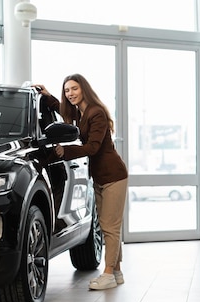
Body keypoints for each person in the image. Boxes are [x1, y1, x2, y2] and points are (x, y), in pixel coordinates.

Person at [33, 74, 129, 290]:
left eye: (74, 89)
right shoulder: (82, 112)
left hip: (113, 175)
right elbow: (65, 111)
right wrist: (48, 97)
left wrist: (65, 151)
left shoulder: (96, 112)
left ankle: (107, 275)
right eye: (67, 90)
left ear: (83, 88)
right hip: (101, 176)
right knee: (109, 226)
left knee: (109, 227)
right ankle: (117, 272)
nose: (70, 93)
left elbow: (93, 148)